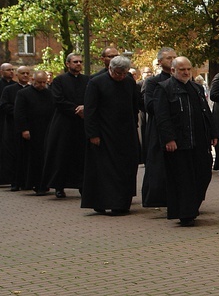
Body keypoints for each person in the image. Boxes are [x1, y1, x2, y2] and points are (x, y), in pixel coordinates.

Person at [155, 57, 217, 226]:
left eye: (188, 69)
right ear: (173, 70)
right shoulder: (164, 88)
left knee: (203, 174)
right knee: (183, 179)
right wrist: (169, 138)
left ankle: (193, 206)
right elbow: (162, 117)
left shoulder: (196, 88)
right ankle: (185, 213)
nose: (186, 72)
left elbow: (206, 111)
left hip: (199, 141)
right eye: (182, 69)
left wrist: (213, 133)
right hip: (179, 143)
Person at [81, 56, 140, 215]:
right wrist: (93, 133)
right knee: (105, 170)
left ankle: (121, 203)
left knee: (126, 168)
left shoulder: (129, 82)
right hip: (104, 133)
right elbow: (90, 110)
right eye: (118, 73)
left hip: (126, 132)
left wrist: (134, 126)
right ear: (110, 69)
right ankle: (102, 202)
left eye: (124, 73)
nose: (121, 76)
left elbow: (135, 106)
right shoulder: (96, 83)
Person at [43, 53, 89, 198]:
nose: (78, 64)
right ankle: (59, 185)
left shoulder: (88, 80)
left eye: (80, 62)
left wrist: (85, 107)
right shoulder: (59, 80)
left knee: (81, 155)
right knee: (61, 154)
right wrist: (77, 110)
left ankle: (82, 184)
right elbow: (58, 100)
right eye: (75, 62)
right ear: (67, 64)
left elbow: (91, 97)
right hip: (64, 123)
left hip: (81, 124)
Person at [141, 47, 177, 208]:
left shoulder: (183, 81)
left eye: (174, 57)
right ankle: (157, 198)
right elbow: (149, 105)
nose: (172, 60)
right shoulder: (152, 82)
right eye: (169, 58)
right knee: (157, 165)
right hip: (158, 129)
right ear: (160, 62)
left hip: (178, 128)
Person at [14, 71, 55, 195]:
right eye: (39, 82)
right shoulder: (23, 94)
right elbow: (19, 113)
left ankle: (45, 184)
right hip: (31, 130)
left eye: (44, 82)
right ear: (33, 80)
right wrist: (24, 129)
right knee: (32, 159)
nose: (42, 85)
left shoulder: (49, 94)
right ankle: (33, 183)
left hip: (46, 130)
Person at [0, 66, 31, 191]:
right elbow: (3, 105)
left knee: (28, 155)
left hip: (29, 126)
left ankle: (28, 181)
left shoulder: (31, 90)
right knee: (14, 155)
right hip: (12, 126)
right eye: (22, 73)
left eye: (27, 73)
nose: (25, 75)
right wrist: (19, 112)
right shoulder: (8, 90)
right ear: (17, 75)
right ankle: (15, 181)